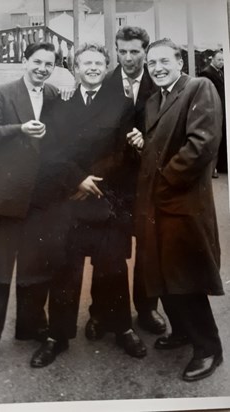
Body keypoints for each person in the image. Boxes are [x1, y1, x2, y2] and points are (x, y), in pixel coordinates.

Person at [29, 42, 147, 368]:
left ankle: (121, 327)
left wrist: (93, 180)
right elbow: (51, 152)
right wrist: (77, 179)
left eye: (98, 63)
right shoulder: (59, 105)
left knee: (112, 268)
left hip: (107, 200)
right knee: (65, 272)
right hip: (70, 200)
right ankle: (58, 336)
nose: (93, 68)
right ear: (75, 68)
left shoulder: (122, 104)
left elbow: (123, 153)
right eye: (86, 63)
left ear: (106, 67)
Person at [135, 38, 224, 381]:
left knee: (185, 278)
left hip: (181, 203)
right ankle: (183, 332)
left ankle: (209, 349)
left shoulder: (198, 87)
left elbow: (201, 144)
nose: (157, 68)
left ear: (179, 62)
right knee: (164, 275)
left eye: (163, 61)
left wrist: (164, 180)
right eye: (151, 63)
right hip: (158, 205)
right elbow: (160, 143)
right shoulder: (155, 99)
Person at [0, 42, 62, 374]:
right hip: (5, 194)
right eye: (37, 61)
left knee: (33, 267)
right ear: (25, 61)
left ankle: (31, 327)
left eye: (49, 63)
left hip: (39, 198)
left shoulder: (55, 94)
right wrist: (20, 129)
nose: (42, 68)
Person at [85, 26, 166, 342]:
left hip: (147, 183)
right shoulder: (102, 83)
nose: (129, 58)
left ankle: (146, 310)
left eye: (135, 51)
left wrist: (146, 141)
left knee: (148, 251)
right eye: (122, 51)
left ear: (145, 50)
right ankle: (100, 311)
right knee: (108, 251)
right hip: (113, 184)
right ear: (116, 51)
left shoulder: (159, 82)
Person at [200, 49, 227, 177]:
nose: (221, 62)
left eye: (223, 60)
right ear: (212, 59)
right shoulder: (206, 73)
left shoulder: (220, 72)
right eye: (219, 60)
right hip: (213, 111)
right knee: (214, 138)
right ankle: (212, 170)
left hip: (221, 110)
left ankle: (220, 166)